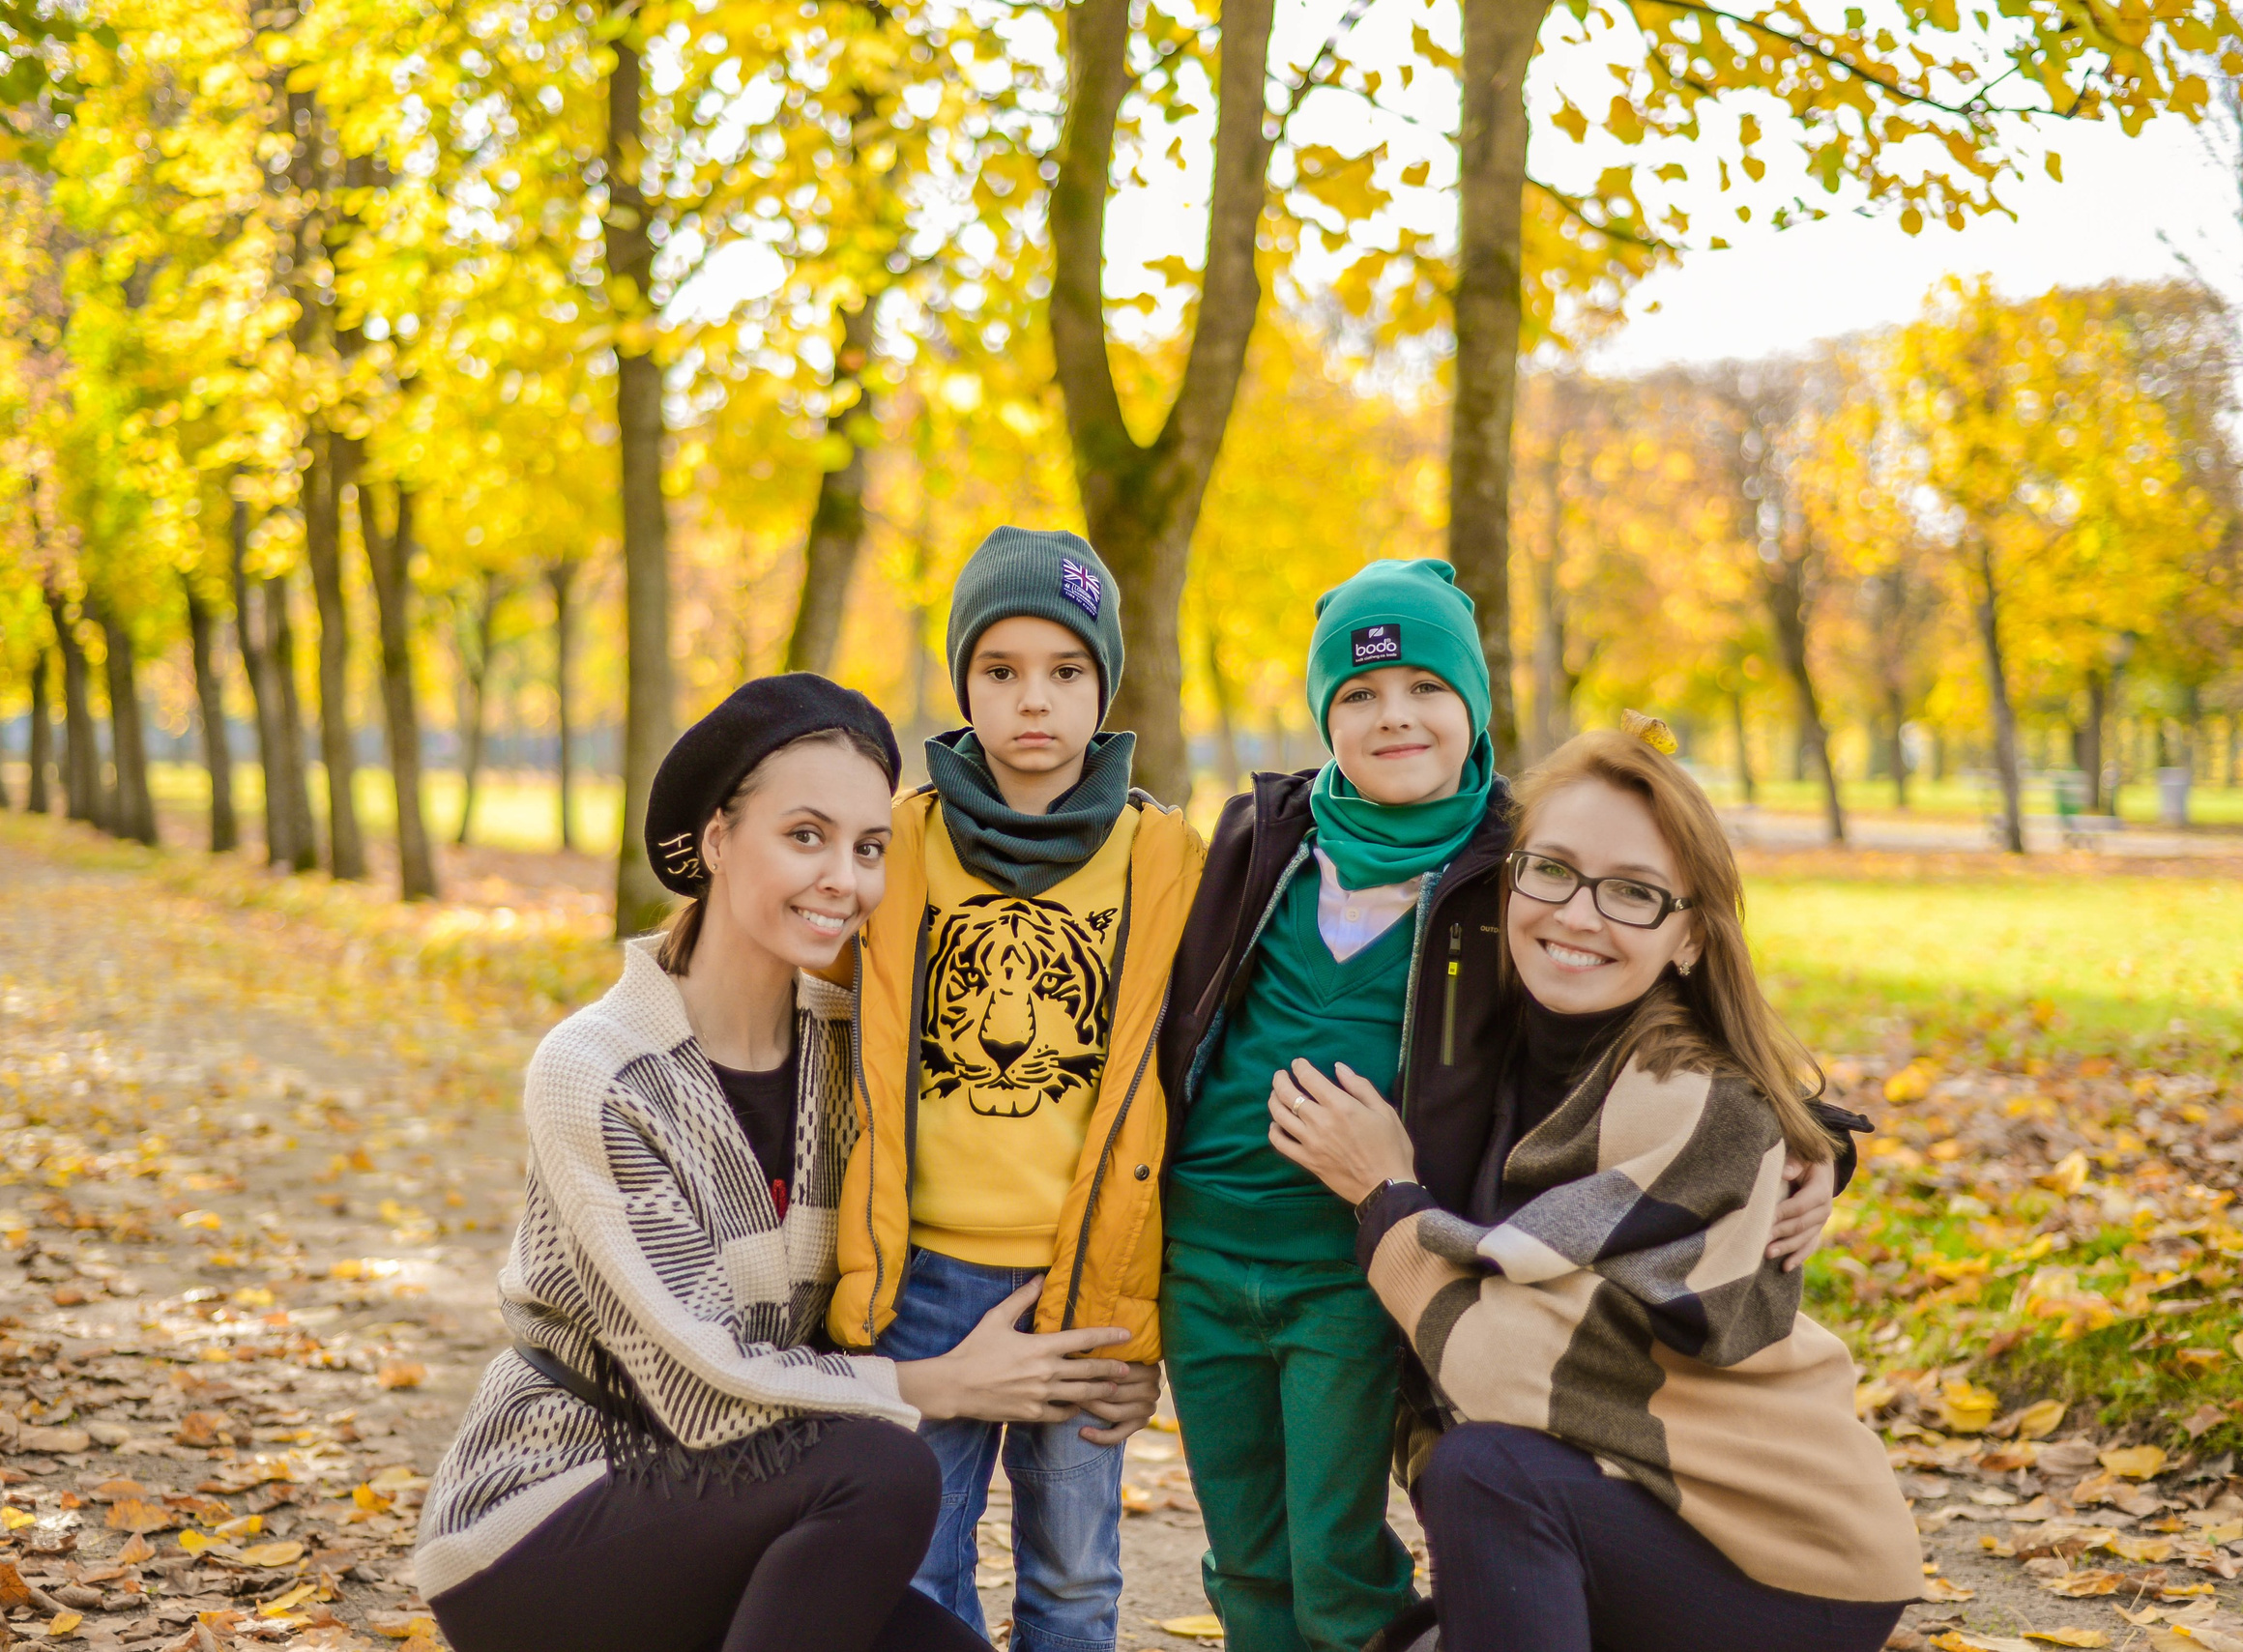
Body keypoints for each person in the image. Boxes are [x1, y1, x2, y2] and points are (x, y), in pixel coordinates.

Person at [1155, 561, 1847, 1652]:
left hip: (1349, 1261)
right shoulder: (1264, 835)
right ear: (1324, 715)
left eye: (1427, 687)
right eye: (1360, 695)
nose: (1395, 716)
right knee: (1241, 1544)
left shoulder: (1514, 866)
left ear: (1472, 703)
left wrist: (1817, 1139)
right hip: (1198, 1245)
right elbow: (1179, 1003)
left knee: (1332, 1550)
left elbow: (1679, 1000)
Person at [417, 674, 1143, 1652]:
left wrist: (1093, 1360)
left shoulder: (861, 1053)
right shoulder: (597, 1069)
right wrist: (941, 1384)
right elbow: (700, 1382)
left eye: (868, 845)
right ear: (717, 839)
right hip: (550, 1519)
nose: (843, 875)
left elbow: (981, 1203)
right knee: (886, 1469)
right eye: (805, 835)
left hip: (748, 1512)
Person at [1268, 721, 1920, 1652]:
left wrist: (1384, 1194)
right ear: (1511, 879)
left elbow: (1518, 1374)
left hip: (1786, 1562)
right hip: (1626, 1508)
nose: (1577, 914)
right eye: (1552, 870)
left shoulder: (1699, 1103)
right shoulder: (1484, 1064)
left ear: (1691, 935)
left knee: (1484, 1470)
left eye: (1633, 893)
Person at [830, 528, 1202, 1652]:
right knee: (918, 1563)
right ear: (963, 684)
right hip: (918, 1269)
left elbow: (1195, 1081)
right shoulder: (898, 840)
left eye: (1064, 670)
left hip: (1085, 1270)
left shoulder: (1164, 858)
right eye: (999, 670)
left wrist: (1151, 1321)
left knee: (1078, 1573)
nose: (1031, 699)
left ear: (1103, 685)